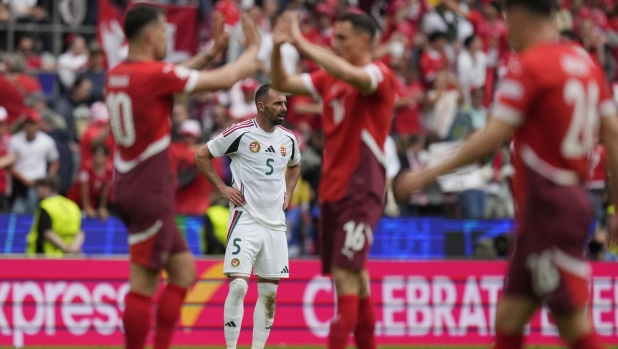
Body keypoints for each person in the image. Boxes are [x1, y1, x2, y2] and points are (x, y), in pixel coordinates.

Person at [394, 1, 618, 349]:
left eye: (506, 18)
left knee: (574, 327)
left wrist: (425, 176)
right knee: (509, 320)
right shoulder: (585, 63)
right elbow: (614, 135)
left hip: (549, 205)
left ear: (519, 14)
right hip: (561, 203)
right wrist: (615, 209)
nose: (506, 29)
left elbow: (491, 138)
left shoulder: (529, 66)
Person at [105, 5, 260, 349]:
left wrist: (210, 54)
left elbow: (170, 76)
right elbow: (225, 79)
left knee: (183, 273)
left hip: (132, 185)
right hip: (149, 190)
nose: (166, 38)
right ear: (150, 35)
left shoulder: (120, 73)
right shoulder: (152, 74)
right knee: (144, 282)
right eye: (163, 32)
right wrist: (251, 50)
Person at [271, 11, 397, 349]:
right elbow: (282, 83)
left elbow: (347, 72)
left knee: (345, 278)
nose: (334, 43)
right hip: (332, 190)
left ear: (365, 41)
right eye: (334, 37)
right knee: (357, 277)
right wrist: (276, 47)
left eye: (342, 38)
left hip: (361, 188)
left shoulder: (378, 75)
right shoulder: (329, 81)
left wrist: (300, 41)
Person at [194, 84, 301, 349]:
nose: (284, 108)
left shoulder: (289, 139)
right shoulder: (240, 133)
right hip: (246, 219)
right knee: (239, 286)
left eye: (285, 103)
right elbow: (201, 155)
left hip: (276, 225)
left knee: (269, 294)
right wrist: (222, 188)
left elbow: (295, 164)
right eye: (278, 104)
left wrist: (288, 191)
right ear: (261, 106)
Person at [9, 110, 59, 213]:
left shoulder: (47, 141)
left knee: (41, 212)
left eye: (32, 123)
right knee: (18, 211)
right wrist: (23, 179)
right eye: (27, 123)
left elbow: (55, 160)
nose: (30, 127)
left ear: (38, 124)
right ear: (23, 125)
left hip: (40, 183)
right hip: (20, 183)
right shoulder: (15, 140)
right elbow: (10, 166)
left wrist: (48, 178)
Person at [25, 176, 84, 257]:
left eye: (38, 188)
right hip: (68, 256)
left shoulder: (46, 206)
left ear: (46, 188)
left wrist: (66, 248)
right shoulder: (72, 205)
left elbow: (48, 233)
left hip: (46, 256)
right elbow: (80, 232)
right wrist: (73, 248)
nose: (36, 192)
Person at [67, 144, 113, 220]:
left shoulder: (109, 171)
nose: (99, 159)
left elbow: (105, 190)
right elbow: (84, 188)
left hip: (92, 201)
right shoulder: (86, 168)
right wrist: (86, 207)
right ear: (93, 156)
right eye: (97, 155)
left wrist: (102, 207)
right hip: (75, 201)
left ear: (106, 157)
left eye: (101, 156)